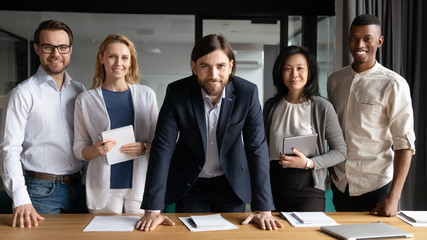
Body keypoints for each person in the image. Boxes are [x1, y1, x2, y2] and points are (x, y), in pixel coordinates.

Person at [135, 34, 283, 231]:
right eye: (205, 66)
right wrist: (153, 209)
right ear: (194, 67)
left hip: (232, 185)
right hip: (191, 185)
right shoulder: (177, 93)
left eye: (220, 66)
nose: (213, 74)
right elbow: (163, 149)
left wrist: (263, 207)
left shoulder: (247, 94)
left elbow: (256, 148)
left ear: (230, 66)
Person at [0, 19, 87, 228]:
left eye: (63, 47)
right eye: (48, 47)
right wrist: (20, 198)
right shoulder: (23, 93)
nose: (56, 53)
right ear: (37, 49)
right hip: (41, 191)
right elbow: (8, 149)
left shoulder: (80, 91)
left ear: (70, 49)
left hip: (80, 187)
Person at [327, 14, 416, 216]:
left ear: (379, 41)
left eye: (367, 38)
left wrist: (393, 198)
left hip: (377, 185)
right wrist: (331, 165)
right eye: (354, 38)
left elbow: (405, 144)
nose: (359, 44)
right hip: (342, 184)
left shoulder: (393, 84)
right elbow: (331, 127)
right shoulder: (334, 80)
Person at [73, 34, 158, 213]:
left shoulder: (146, 95)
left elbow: (159, 142)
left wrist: (144, 147)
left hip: (140, 184)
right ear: (101, 58)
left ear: (131, 61)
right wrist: (96, 150)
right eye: (112, 56)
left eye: (124, 57)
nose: (118, 63)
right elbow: (78, 149)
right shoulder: (86, 100)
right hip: (103, 188)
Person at [263, 45, 346, 212]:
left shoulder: (322, 107)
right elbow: (262, 148)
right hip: (273, 187)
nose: (294, 74)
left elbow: (341, 152)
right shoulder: (270, 106)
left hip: (309, 188)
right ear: (280, 72)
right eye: (287, 69)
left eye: (300, 68)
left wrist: (309, 163)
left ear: (310, 72)